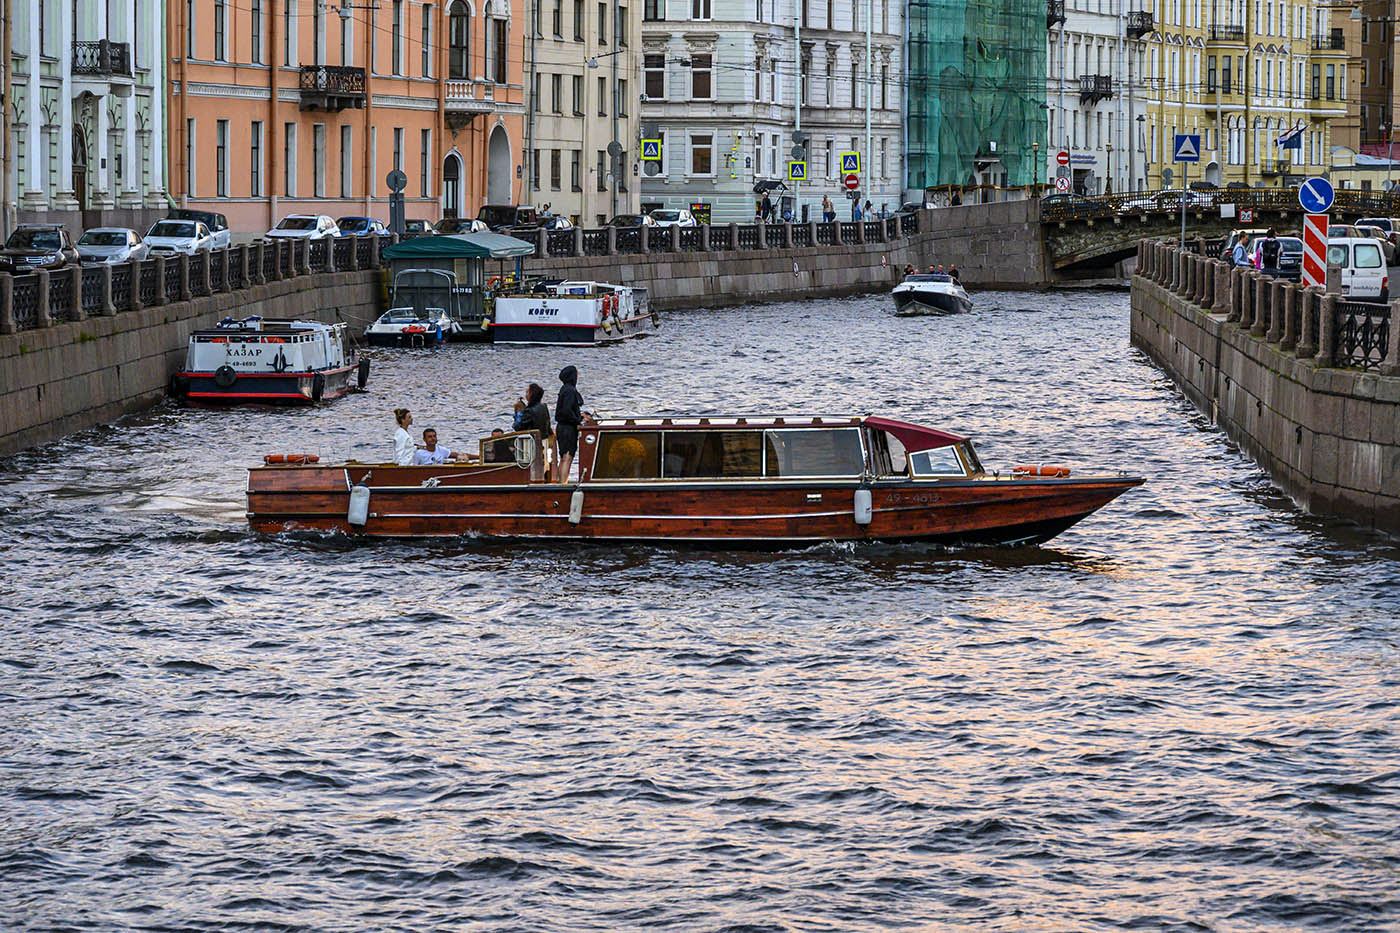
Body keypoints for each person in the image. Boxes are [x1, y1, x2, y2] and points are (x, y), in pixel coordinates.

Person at [555, 365, 584, 482]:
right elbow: (567, 410)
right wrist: (577, 420)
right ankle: (563, 482)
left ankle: (560, 481)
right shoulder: (570, 390)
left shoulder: (564, 389)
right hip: (568, 428)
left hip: (561, 427)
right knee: (568, 456)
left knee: (563, 456)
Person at [520, 382, 553, 480]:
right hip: (544, 440)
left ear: (531, 394)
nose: (526, 394)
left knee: (534, 465)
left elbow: (518, 426)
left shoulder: (529, 411)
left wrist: (518, 414)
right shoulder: (544, 407)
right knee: (543, 463)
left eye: (527, 392)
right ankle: (543, 478)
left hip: (532, 442)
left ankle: (533, 480)